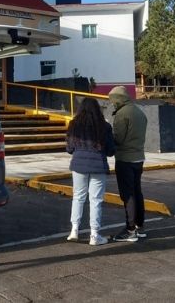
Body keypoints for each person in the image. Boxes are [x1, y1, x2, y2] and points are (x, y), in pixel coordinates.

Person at [66, 97, 115, 246]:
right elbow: (111, 150)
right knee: (96, 200)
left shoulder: (74, 124)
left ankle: (74, 230)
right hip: (98, 166)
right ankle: (94, 235)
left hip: (79, 165)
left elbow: (69, 148)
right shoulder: (104, 126)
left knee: (78, 197)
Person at [108, 85, 148, 242]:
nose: (112, 103)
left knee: (128, 195)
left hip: (125, 159)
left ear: (118, 99)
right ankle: (140, 226)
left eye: (113, 100)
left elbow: (118, 139)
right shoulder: (139, 111)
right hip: (139, 157)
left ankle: (130, 230)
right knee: (137, 192)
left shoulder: (122, 114)